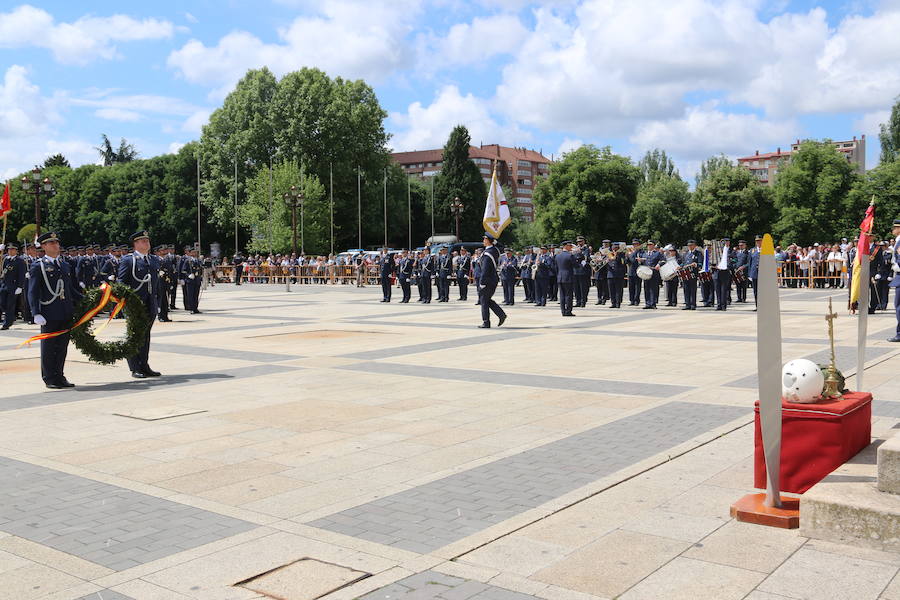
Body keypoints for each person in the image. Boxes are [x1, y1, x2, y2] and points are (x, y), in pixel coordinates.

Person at [28, 232, 79, 388]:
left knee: (62, 346)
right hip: (49, 313)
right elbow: (33, 291)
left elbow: (71, 289)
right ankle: (49, 377)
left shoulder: (64, 264)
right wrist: (35, 312)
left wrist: (91, 299)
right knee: (49, 347)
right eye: (51, 243)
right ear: (43, 246)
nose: (56, 245)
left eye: (56, 243)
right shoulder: (39, 265)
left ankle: (60, 375)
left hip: (65, 311)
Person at [119, 230, 161, 379]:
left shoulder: (154, 260)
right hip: (135, 304)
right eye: (142, 241)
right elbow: (121, 283)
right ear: (135, 244)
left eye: (147, 240)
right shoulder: (128, 260)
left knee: (145, 336)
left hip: (150, 304)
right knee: (134, 336)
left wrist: (159, 303)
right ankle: (135, 367)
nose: (146, 243)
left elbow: (157, 284)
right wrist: (128, 303)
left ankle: (144, 365)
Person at [477, 233, 506, 328]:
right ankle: (501, 315)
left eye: (485, 239)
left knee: (484, 301)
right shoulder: (494, 250)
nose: (483, 241)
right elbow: (501, 246)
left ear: (489, 240)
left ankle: (486, 322)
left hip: (488, 280)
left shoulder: (488, 253)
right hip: (492, 279)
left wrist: (482, 282)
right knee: (486, 300)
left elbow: (485, 269)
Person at [1, 243, 26, 329]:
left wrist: (20, 286)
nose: (10, 251)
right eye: (8, 249)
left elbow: (21, 274)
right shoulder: (5, 259)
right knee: (2, 303)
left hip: (13, 286)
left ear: (16, 251)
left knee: (10, 305)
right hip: (4, 285)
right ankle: (10, 318)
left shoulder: (20, 261)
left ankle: (7, 323)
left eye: (12, 249)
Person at [179, 245, 203, 314]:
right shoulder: (187, 261)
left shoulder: (198, 260)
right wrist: (188, 275)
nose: (194, 253)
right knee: (190, 295)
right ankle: (191, 308)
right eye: (193, 252)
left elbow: (201, 269)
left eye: (195, 252)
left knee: (196, 295)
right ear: (190, 253)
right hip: (190, 280)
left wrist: (200, 276)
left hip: (197, 280)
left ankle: (196, 308)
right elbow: (183, 270)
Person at [639, 240, 663, 309]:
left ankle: (653, 303)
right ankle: (647, 303)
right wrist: (640, 261)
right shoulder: (644, 254)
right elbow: (642, 263)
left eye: (650, 245)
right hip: (646, 273)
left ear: (653, 245)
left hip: (654, 273)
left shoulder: (657, 253)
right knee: (646, 288)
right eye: (648, 245)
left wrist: (659, 264)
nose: (649, 246)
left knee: (653, 288)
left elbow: (663, 260)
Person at [714, 238, 735, 311]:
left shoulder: (731, 251)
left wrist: (727, 266)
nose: (724, 243)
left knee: (724, 290)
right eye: (723, 242)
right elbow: (713, 260)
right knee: (717, 290)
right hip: (717, 272)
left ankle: (723, 305)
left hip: (725, 272)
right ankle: (719, 305)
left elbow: (734, 260)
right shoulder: (717, 252)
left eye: (726, 242)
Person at [555, 240, 576, 316]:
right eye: (570, 246)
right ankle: (568, 311)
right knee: (568, 295)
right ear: (566, 246)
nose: (571, 247)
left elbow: (556, 268)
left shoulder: (558, 256)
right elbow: (576, 265)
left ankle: (563, 311)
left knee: (562, 295)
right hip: (568, 277)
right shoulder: (570, 255)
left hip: (560, 277)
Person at [681, 240, 702, 310]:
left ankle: (693, 304)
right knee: (686, 289)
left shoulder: (698, 253)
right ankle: (687, 304)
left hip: (693, 273)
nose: (690, 246)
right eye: (689, 245)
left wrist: (696, 264)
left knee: (693, 289)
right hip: (685, 273)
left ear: (695, 246)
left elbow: (700, 263)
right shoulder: (685, 254)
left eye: (691, 245)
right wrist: (679, 266)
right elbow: (683, 263)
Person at [155, 245, 173, 322]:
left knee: (166, 299)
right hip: (159, 282)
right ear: (159, 252)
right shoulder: (156, 260)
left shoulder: (167, 260)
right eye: (163, 250)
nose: (165, 252)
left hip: (166, 282)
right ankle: (160, 316)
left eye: (165, 250)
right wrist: (158, 272)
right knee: (160, 299)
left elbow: (171, 271)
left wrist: (171, 282)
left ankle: (165, 316)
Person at [606, 242, 626, 308]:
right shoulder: (609, 254)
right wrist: (606, 261)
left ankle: (618, 303)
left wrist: (617, 256)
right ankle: (613, 303)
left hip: (618, 274)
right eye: (614, 248)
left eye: (616, 248)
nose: (614, 249)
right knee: (611, 290)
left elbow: (623, 263)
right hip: (610, 274)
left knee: (618, 290)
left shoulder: (622, 254)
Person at [748, 235, 763, 308]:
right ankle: (758, 306)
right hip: (754, 273)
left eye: (759, 241)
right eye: (757, 241)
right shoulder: (752, 250)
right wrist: (749, 274)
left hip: (764, 273)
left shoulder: (766, 250)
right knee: (756, 291)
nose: (758, 242)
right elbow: (750, 263)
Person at [627, 239, 642, 306]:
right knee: (631, 287)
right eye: (633, 244)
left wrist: (631, 254)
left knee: (637, 287)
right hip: (631, 271)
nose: (634, 245)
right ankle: (631, 300)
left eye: (636, 244)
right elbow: (626, 262)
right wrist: (627, 256)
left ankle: (636, 300)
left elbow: (633, 260)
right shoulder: (630, 252)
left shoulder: (641, 252)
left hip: (638, 271)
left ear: (639, 245)